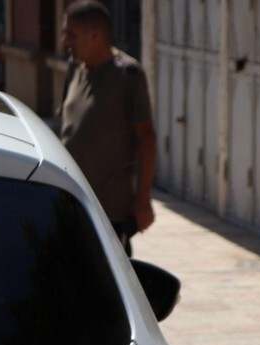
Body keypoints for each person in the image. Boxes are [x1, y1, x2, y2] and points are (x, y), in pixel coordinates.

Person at [58, 0, 156, 254]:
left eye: (71, 34)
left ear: (95, 35)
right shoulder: (74, 69)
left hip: (109, 211)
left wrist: (143, 199)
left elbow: (147, 138)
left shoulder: (128, 75)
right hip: (71, 203)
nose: (65, 40)